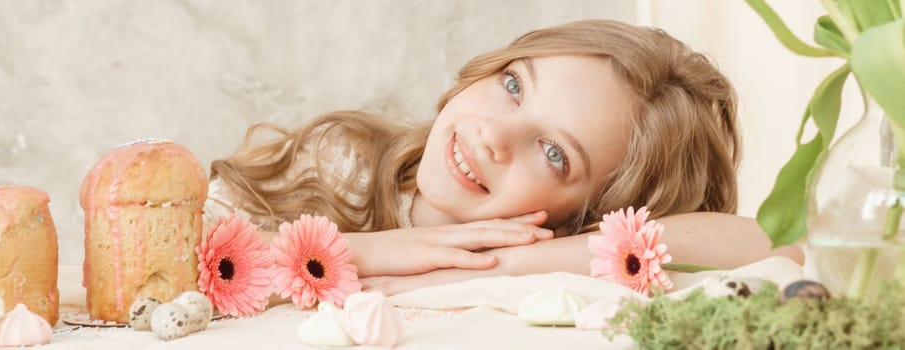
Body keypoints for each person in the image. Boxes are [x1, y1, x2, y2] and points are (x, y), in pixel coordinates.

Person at [205, 19, 803, 295]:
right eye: (514, 85)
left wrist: (511, 264)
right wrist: (360, 251)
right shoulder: (338, 166)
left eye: (552, 153)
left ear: (595, 216)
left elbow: (784, 246)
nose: (494, 133)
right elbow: (151, 267)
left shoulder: (561, 263)